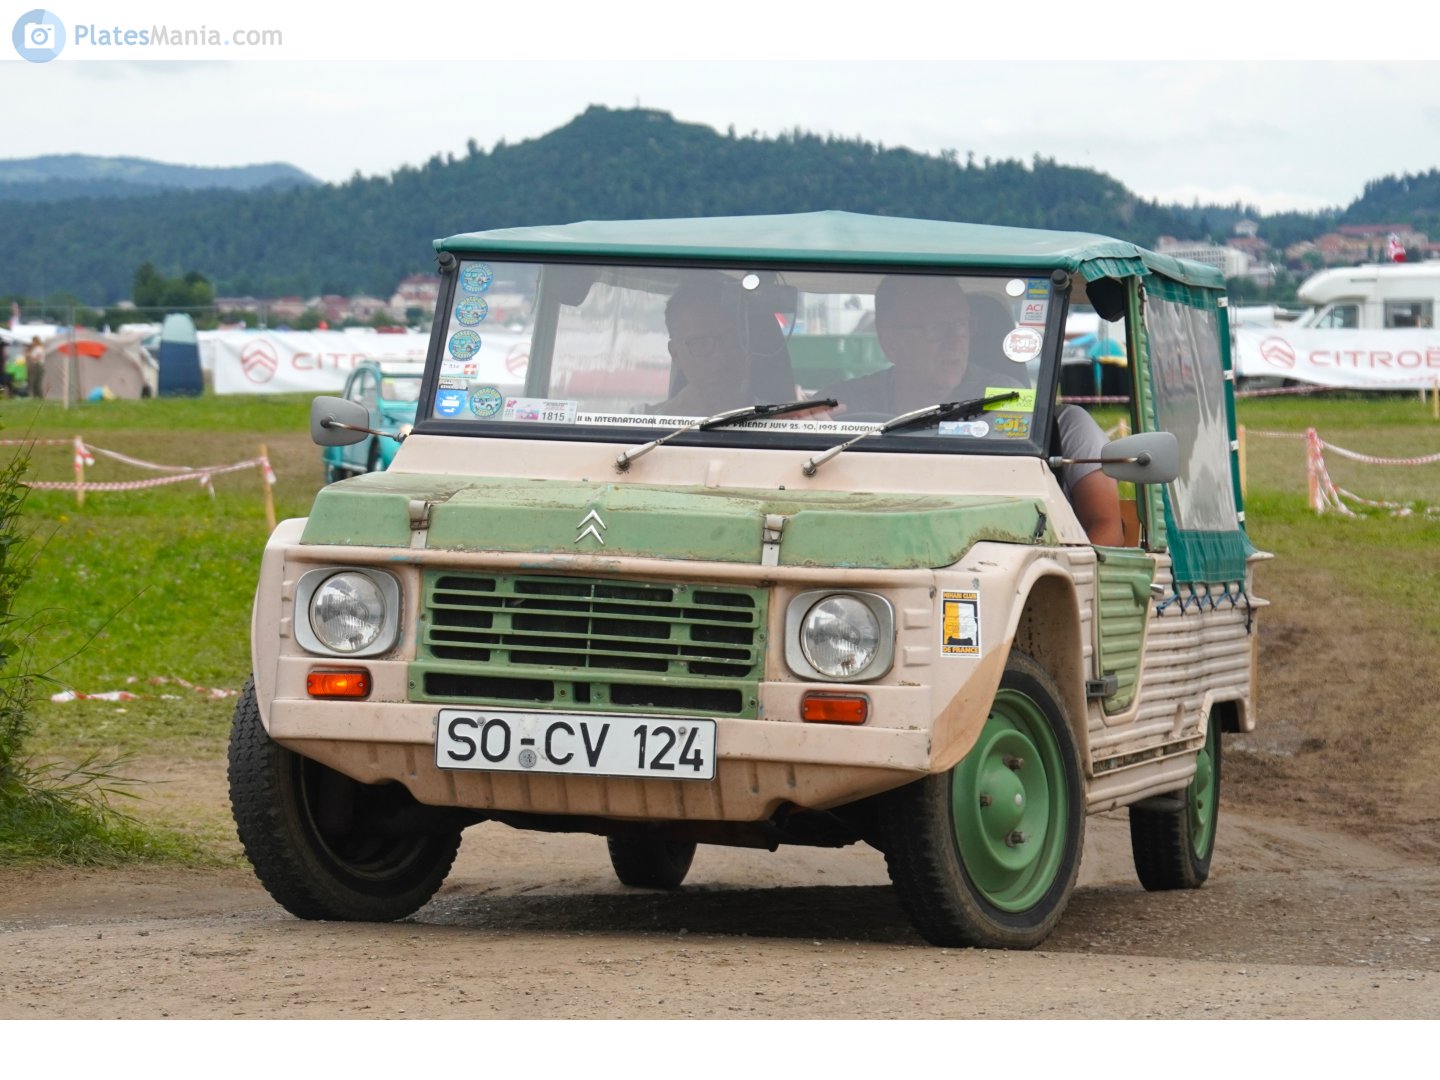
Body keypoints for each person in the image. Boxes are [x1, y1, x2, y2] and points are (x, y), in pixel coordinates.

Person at [825, 274, 1124, 546]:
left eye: (962, 325)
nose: (955, 341)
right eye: (936, 328)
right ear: (890, 340)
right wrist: (804, 421)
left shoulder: (1032, 417)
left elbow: (1107, 529)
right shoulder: (847, 403)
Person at [649, 276, 756, 416]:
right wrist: (668, 419)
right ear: (676, 354)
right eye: (700, 343)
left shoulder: (778, 421)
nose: (720, 356)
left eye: (730, 340)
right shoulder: (637, 420)